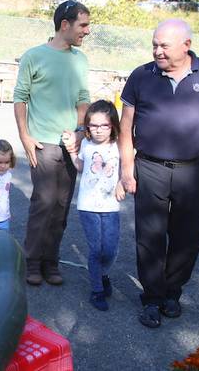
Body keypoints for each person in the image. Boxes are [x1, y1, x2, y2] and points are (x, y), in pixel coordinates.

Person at [118, 19, 199, 328]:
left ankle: (173, 292)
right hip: (150, 167)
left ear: (187, 45)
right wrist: (127, 169)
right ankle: (153, 298)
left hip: (192, 170)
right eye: (154, 44)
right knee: (149, 237)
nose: (157, 51)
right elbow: (125, 125)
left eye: (164, 46)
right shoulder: (141, 75)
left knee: (188, 237)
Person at [13, 0, 92, 286]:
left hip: (70, 145)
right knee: (43, 203)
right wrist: (25, 136)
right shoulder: (34, 56)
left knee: (61, 206)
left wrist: (81, 133)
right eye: (83, 25)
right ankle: (32, 261)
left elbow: (83, 98)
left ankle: (51, 261)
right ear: (64, 25)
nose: (87, 31)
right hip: (42, 144)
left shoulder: (80, 60)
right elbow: (20, 97)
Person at [63, 100, 124, 311]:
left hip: (110, 206)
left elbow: (126, 168)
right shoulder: (87, 145)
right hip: (87, 205)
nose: (98, 130)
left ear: (113, 125)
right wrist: (72, 151)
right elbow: (80, 166)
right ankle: (97, 289)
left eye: (103, 125)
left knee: (111, 249)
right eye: (93, 125)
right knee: (96, 249)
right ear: (87, 126)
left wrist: (121, 183)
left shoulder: (118, 146)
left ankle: (103, 274)